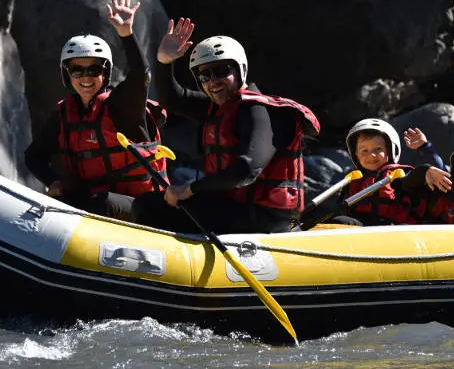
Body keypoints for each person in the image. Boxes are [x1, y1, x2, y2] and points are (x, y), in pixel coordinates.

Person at [130, 17, 321, 234]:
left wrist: (190, 189)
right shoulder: (217, 108)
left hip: (264, 220)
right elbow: (173, 99)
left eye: (222, 71)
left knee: (150, 207)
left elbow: (249, 168)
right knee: (150, 203)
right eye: (204, 76)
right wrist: (164, 61)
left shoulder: (260, 111)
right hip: (232, 209)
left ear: (241, 70)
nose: (213, 81)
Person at [24, 0, 168, 220]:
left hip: (142, 206)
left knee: (102, 202)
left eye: (94, 70)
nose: (86, 77)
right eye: (77, 70)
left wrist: (126, 34)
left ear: (106, 73)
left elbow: (141, 75)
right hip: (91, 203)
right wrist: (54, 182)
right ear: (67, 74)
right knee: (67, 200)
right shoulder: (64, 115)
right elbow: (33, 156)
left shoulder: (122, 105)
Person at [302, 118, 452, 227]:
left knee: (342, 222)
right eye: (364, 151)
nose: (371, 155)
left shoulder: (397, 175)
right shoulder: (354, 180)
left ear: (390, 151)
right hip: (362, 231)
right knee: (326, 221)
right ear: (356, 155)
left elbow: (419, 177)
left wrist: (425, 160)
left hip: (393, 230)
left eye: (377, 150)